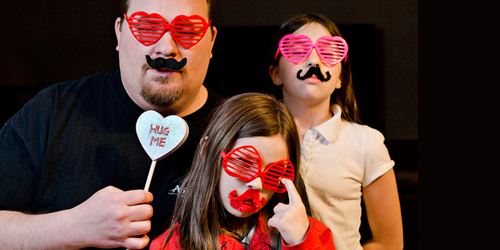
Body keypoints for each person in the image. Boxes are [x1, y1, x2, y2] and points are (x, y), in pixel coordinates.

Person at [0, 0, 220, 249]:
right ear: (119, 32)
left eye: (187, 30)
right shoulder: (52, 110)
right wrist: (72, 227)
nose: (166, 49)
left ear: (211, 40)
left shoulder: (241, 134)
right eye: (147, 27)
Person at [268, 14, 403, 250]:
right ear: (275, 73)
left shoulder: (365, 143)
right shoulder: (254, 137)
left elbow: (389, 243)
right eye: (297, 50)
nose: (314, 61)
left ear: (340, 78)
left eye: (329, 53)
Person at [149, 93, 335, 250]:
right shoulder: (173, 244)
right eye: (245, 163)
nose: (257, 183)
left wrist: (301, 243)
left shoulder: (311, 237)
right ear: (207, 150)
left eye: (274, 173)